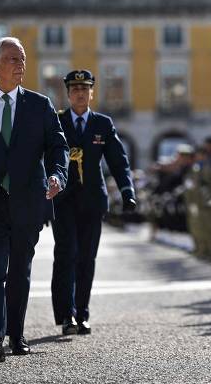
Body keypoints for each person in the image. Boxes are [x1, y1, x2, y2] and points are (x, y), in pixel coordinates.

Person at [0, 37, 69, 362]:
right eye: (12, 59)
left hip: (28, 200)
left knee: (20, 269)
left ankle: (16, 333)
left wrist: (57, 174)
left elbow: (58, 146)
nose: (20, 64)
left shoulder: (40, 105)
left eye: (22, 59)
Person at [51, 70, 136, 335]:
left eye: (84, 89)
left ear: (92, 93)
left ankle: (82, 313)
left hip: (92, 200)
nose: (79, 93)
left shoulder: (102, 124)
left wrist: (127, 190)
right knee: (66, 255)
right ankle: (67, 315)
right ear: (67, 94)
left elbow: (117, 160)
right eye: (74, 89)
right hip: (62, 201)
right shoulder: (56, 121)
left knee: (87, 258)